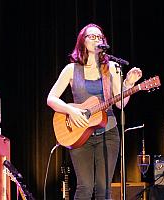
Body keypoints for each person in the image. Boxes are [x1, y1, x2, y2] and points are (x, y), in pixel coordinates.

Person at [47, 23, 142, 200]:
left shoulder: (111, 68)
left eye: (99, 37)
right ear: (82, 41)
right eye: (92, 36)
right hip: (79, 133)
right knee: (85, 187)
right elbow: (51, 99)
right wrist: (71, 110)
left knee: (103, 189)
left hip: (109, 133)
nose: (97, 39)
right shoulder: (71, 69)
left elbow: (120, 104)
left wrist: (129, 84)